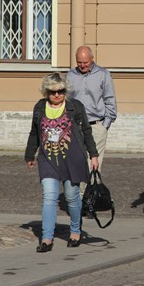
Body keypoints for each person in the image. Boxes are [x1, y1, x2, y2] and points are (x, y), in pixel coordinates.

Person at [25, 73, 99, 252]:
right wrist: (29, 155)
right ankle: (47, 238)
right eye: (53, 92)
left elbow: (86, 131)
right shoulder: (40, 107)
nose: (57, 95)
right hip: (47, 158)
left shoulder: (75, 107)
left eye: (61, 91)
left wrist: (93, 154)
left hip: (72, 157)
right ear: (46, 92)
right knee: (49, 197)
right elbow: (34, 132)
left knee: (72, 197)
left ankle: (75, 231)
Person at [66, 45, 117, 173]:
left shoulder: (103, 75)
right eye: (79, 62)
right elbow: (66, 101)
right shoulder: (70, 75)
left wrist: (105, 126)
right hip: (76, 127)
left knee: (93, 166)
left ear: (92, 59)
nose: (82, 65)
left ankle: (92, 186)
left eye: (86, 62)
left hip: (96, 126)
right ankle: (80, 187)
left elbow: (109, 100)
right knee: (77, 164)